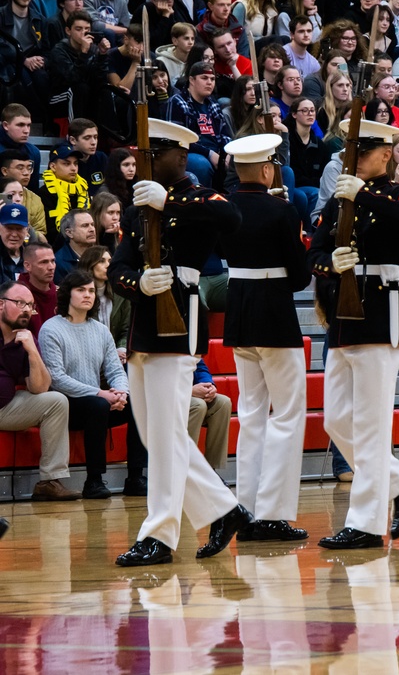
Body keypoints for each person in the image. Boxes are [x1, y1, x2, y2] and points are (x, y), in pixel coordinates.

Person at [110, 118, 250, 567]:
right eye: (142, 155)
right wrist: (137, 282)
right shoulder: (135, 211)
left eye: (154, 155)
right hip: (143, 325)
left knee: (168, 433)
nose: (144, 164)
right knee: (157, 433)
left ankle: (160, 535)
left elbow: (232, 217)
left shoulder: (199, 197)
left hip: (179, 321)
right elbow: (117, 269)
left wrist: (168, 200)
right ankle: (225, 510)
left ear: (179, 157)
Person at [307, 119, 399, 549]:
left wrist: (365, 194)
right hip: (344, 314)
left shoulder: (397, 193)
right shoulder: (341, 200)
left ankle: (366, 523)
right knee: (338, 418)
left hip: (381, 312)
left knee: (372, 425)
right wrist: (330, 263)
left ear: (384, 155)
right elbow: (316, 252)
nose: (351, 162)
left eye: (360, 154)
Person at [220, 133, 311, 541]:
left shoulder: (225, 208)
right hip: (273, 312)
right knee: (288, 415)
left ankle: (248, 508)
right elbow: (299, 276)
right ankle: (273, 514)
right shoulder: (281, 210)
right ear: (267, 167)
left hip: (239, 311)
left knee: (252, 415)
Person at [39, 269, 147, 498]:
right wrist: (101, 393)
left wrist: (121, 393)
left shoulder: (101, 330)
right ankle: (94, 480)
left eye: (91, 291)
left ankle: (136, 477)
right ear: (68, 293)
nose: (88, 295)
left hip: (97, 399)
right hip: (65, 404)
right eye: (81, 290)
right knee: (97, 406)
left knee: (138, 402)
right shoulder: (51, 328)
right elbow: (57, 378)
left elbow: (116, 370)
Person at [0, 277, 78, 500]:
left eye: (31, 306)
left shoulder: (26, 338)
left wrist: (32, 350)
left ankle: (49, 481)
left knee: (56, 401)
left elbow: (40, 388)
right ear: (1, 304)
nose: (27, 310)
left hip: (5, 408)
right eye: (20, 303)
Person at [164, 60, 231, 186]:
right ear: (192, 80)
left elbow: (225, 134)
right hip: (187, 153)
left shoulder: (213, 103)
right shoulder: (177, 102)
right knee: (201, 164)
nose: (209, 82)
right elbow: (177, 139)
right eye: (204, 78)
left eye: (212, 79)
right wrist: (209, 153)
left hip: (216, 152)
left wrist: (226, 153)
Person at [187, 358, 231, 470]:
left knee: (223, 403)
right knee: (198, 405)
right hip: (168, 395)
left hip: (189, 393)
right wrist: (187, 390)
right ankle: (187, 469)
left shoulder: (189, 341)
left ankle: (211, 471)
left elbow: (200, 365)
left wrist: (209, 386)